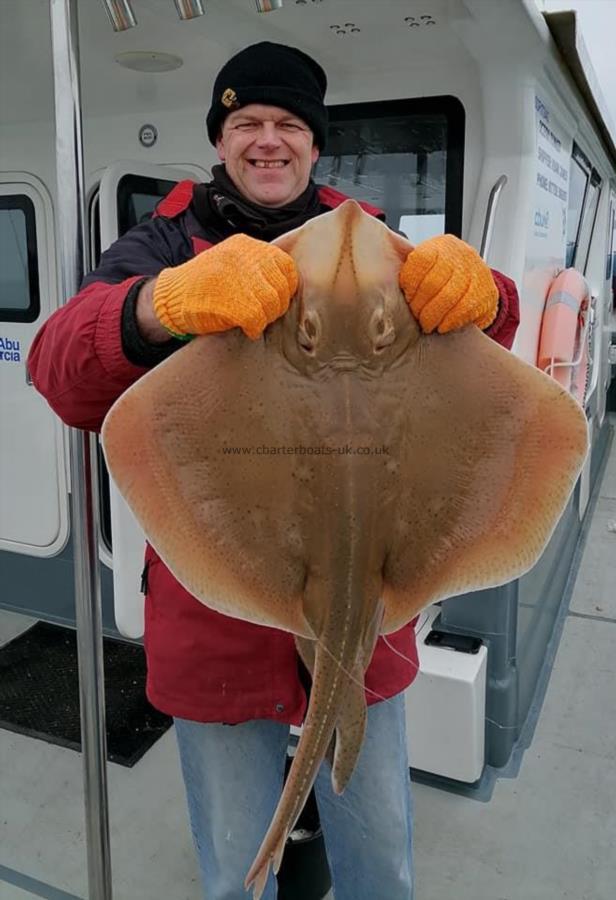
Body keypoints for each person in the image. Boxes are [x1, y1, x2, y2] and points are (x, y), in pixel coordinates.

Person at [28, 42, 520, 900]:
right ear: (220, 139)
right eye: (246, 122)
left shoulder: (371, 244)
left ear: (315, 143)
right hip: (217, 597)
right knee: (235, 871)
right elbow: (58, 367)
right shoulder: (164, 241)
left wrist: (492, 296)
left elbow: (481, 360)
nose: (267, 140)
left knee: (382, 860)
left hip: (372, 596)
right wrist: (159, 305)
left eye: (288, 123)